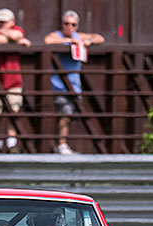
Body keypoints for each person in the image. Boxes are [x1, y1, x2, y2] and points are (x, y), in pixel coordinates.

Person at [44, 10, 105, 155]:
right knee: (65, 113)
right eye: (67, 23)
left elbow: (100, 38)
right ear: (62, 24)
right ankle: (61, 144)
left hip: (75, 85)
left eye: (73, 24)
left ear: (77, 26)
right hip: (59, 84)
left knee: (70, 115)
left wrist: (86, 42)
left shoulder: (79, 36)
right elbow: (48, 40)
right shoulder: (57, 35)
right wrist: (69, 42)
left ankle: (61, 143)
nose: (69, 27)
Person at [0, 8, 31, 153]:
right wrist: (12, 38)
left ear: (12, 22)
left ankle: (12, 142)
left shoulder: (14, 29)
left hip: (13, 81)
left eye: (5, 22)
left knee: (14, 111)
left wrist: (9, 35)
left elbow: (16, 34)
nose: (1, 25)